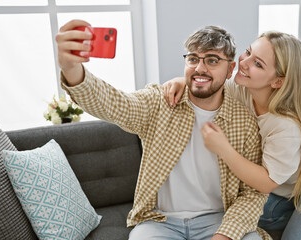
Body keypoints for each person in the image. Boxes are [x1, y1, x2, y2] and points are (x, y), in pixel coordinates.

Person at [56, 19, 271, 240]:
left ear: (230, 69)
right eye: (193, 59)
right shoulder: (159, 102)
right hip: (159, 222)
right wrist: (72, 69)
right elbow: (113, 104)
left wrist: (226, 235)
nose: (199, 68)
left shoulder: (244, 121)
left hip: (219, 220)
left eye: (212, 60)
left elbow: (253, 193)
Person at [163, 31, 301, 239]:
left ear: (278, 81)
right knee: (233, 211)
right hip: (292, 181)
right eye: (248, 52)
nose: (244, 62)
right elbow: (212, 85)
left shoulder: (285, 124)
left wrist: (223, 148)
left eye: (258, 64)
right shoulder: (244, 89)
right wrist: (182, 81)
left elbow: (266, 182)